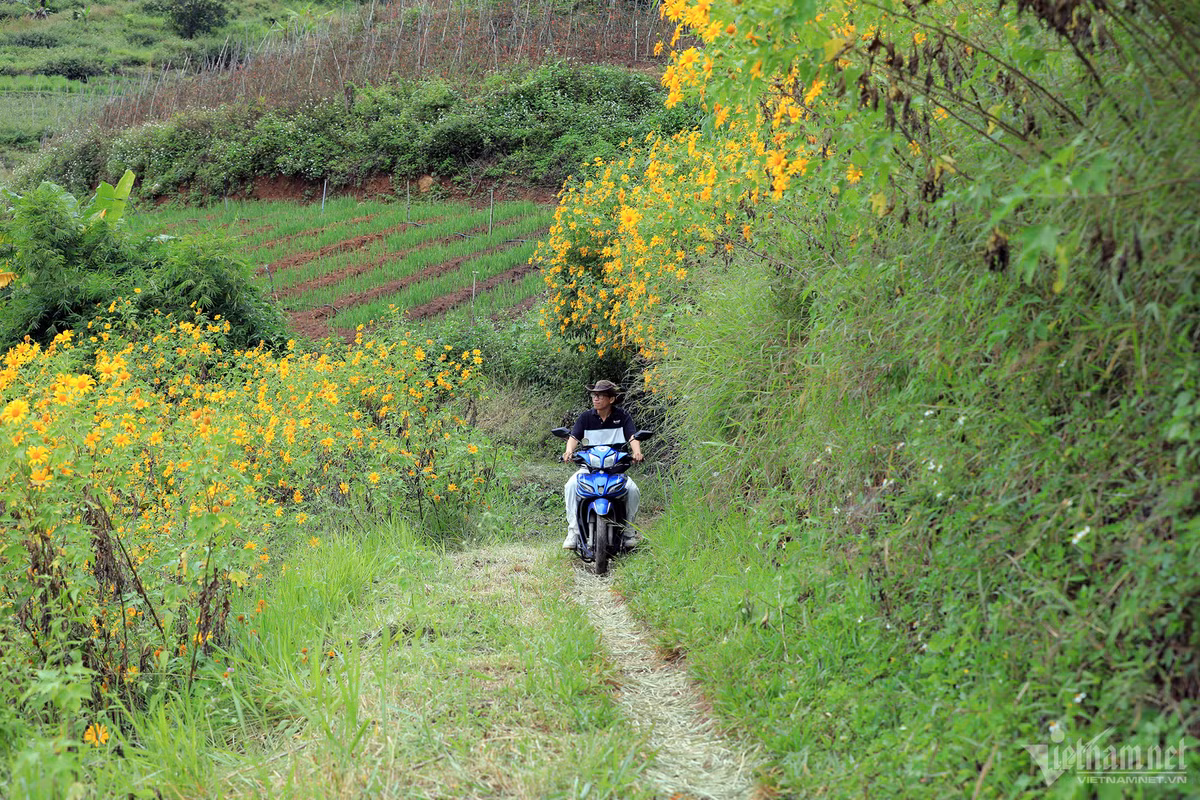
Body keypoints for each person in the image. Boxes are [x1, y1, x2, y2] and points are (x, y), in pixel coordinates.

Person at [561, 380, 644, 551]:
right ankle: (574, 533)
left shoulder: (622, 417)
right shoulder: (585, 418)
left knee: (633, 490)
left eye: (600, 395)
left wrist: (637, 452)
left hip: (616, 470)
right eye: (594, 395)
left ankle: (628, 533)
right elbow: (574, 438)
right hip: (589, 469)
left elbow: (632, 437)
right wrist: (569, 451)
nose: (595, 398)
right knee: (570, 486)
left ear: (611, 399)